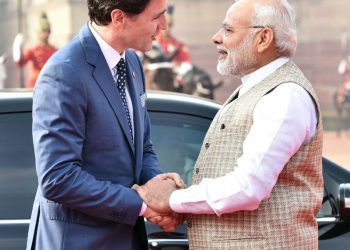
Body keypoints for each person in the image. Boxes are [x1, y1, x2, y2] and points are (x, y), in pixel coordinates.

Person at [133, 0, 324, 249]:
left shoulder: (285, 95)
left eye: (228, 30)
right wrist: (181, 208)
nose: (216, 38)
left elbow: (248, 187)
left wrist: (172, 199)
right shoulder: (256, 89)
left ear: (263, 38)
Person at [26, 1, 184, 250]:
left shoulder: (131, 62)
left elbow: (142, 147)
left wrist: (161, 188)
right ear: (119, 17)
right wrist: (143, 204)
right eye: (157, 17)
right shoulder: (64, 72)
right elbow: (58, 178)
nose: (164, 26)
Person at [13, 13, 57, 88]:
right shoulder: (33, 50)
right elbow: (20, 62)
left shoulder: (55, 50)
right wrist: (17, 46)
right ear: (38, 33)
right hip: (35, 84)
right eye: (43, 31)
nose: (45, 34)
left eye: (47, 31)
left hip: (50, 84)